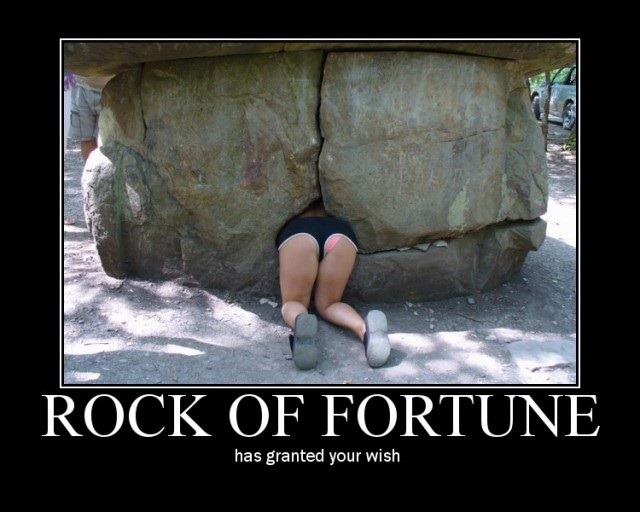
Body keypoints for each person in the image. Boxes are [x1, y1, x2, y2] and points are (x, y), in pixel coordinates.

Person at [276, 198, 391, 370]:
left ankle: (300, 324)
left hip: (299, 231)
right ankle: (365, 330)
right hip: (340, 233)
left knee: (294, 301)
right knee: (330, 303)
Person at [68, 75, 112, 161]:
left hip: (116, 85)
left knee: (113, 141)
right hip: (81, 85)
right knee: (86, 138)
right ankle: (91, 169)